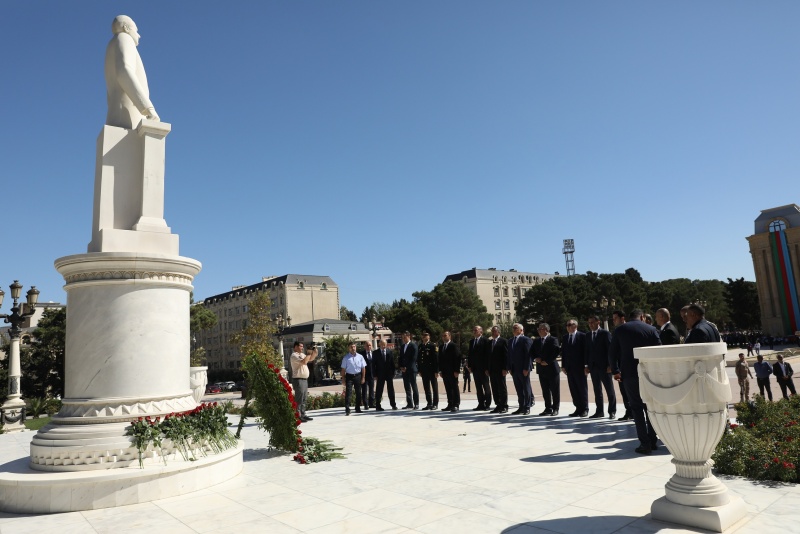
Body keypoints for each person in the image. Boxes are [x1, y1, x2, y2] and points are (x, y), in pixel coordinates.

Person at [610, 309, 662, 455]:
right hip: (649, 374)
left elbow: (612, 352)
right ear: (643, 317)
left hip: (629, 374)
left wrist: (615, 371)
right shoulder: (651, 329)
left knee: (637, 408)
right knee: (650, 407)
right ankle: (653, 440)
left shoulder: (620, 329)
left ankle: (644, 444)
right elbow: (659, 351)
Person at [105, 15, 160, 129]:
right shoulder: (125, 38)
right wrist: (148, 109)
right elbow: (124, 71)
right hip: (129, 115)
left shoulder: (111, 44)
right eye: (136, 30)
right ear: (126, 28)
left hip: (114, 114)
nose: (139, 35)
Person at [585, 315, 616, 419]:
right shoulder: (588, 335)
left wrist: (610, 365)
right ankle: (599, 411)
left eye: (592, 322)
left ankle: (612, 411)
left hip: (604, 367)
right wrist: (586, 365)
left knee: (609, 390)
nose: (590, 325)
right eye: (589, 323)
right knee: (597, 390)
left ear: (598, 322)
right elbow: (587, 352)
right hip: (593, 367)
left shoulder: (605, 333)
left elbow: (610, 350)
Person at [532, 323, 561, 416]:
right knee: (545, 390)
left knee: (555, 390)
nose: (539, 331)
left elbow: (556, 351)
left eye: (541, 329)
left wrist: (547, 361)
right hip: (541, 369)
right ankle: (548, 408)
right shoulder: (536, 341)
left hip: (552, 369)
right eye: (538, 329)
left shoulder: (553, 339)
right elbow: (531, 352)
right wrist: (536, 358)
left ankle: (555, 408)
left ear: (546, 330)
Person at [561, 319, 588, 417]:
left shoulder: (582, 336)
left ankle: (585, 408)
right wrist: (563, 366)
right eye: (567, 325)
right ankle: (578, 408)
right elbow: (564, 352)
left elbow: (585, 352)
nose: (567, 327)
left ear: (575, 326)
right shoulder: (565, 337)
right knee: (573, 389)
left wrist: (586, 365)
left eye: (569, 325)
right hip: (569, 368)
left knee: (582, 388)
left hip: (580, 367)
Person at [508, 323, 534, 414]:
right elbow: (509, 355)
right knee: (518, 389)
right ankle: (521, 406)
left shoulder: (526, 340)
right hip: (514, 369)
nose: (514, 329)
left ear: (521, 330)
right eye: (513, 328)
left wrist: (526, 368)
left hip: (523, 369)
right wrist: (509, 367)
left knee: (526, 388)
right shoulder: (511, 341)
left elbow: (528, 355)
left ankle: (527, 407)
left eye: (516, 328)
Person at [611, 310, 633, 421]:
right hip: (621, 367)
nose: (614, 320)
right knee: (624, 392)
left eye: (616, 318)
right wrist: (615, 369)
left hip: (631, 366)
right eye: (613, 318)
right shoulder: (616, 331)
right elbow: (613, 352)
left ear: (622, 318)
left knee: (633, 392)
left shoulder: (629, 329)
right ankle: (629, 412)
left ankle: (634, 412)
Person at [290, 342, 316, 422]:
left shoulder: (302, 355)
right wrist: (308, 353)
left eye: (302, 346)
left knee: (304, 398)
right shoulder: (294, 355)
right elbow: (304, 362)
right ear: (295, 347)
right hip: (298, 379)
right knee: (299, 399)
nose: (302, 348)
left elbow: (311, 359)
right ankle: (298, 415)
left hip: (304, 379)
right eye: (300, 346)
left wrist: (314, 350)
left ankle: (303, 414)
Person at [468, 326, 492, 410]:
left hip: (483, 368)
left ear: (481, 331)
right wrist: (470, 366)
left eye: (476, 330)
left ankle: (487, 404)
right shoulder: (472, 341)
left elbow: (488, 355)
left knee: (486, 386)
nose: (474, 331)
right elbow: (470, 355)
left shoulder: (485, 341)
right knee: (478, 387)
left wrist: (487, 368)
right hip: (475, 368)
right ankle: (480, 403)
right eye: (473, 330)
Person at [341, 343, 367, 416]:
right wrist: (343, 379)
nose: (353, 348)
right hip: (349, 376)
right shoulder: (346, 358)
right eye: (351, 347)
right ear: (349, 348)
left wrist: (363, 377)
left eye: (354, 346)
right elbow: (343, 369)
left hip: (358, 376)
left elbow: (363, 368)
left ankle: (357, 408)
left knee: (358, 393)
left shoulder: (360, 357)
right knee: (348, 393)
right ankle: (347, 409)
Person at [488, 326, 509, 414]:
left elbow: (506, 355)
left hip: (500, 369)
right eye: (492, 331)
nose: (493, 332)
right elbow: (488, 357)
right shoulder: (490, 342)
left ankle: (504, 405)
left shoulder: (503, 341)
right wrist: (487, 368)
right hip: (492, 369)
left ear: (498, 332)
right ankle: (498, 404)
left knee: (502, 387)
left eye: (494, 331)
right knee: (494, 387)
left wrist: (505, 368)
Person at [439, 331, 461, 412]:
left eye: (445, 335)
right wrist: (440, 370)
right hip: (444, 371)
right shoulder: (441, 347)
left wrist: (457, 370)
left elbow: (457, 358)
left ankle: (456, 404)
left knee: (454, 388)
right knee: (448, 388)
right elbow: (440, 359)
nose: (444, 337)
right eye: (443, 336)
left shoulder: (453, 346)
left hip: (452, 371)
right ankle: (450, 403)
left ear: (449, 336)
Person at [373, 340, 397, 411]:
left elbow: (392, 363)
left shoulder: (389, 352)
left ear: (386, 344)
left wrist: (393, 372)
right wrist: (375, 374)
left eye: (384, 344)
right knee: (379, 390)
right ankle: (378, 405)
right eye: (382, 344)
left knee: (391, 390)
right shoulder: (375, 353)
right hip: (380, 374)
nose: (383, 346)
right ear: (379, 344)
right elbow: (373, 365)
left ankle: (393, 405)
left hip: (389, 374)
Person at [418, 332, 440, 410]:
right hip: (424, 371)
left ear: (429, 336)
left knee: (434, 387)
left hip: (432, 370)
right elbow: (419, 359)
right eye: (423, 336)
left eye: (426, 335)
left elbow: (436, 359)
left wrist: (436, 371)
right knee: (426, 388)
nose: (425, 337)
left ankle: (435, 404)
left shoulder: (433, 345)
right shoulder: (420, 346)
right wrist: (419, 370)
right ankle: (429, 403)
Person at [398, 332, 419, 409]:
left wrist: (406, 367)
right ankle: (409, 403)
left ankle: (416, 403)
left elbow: (414, 358)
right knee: (407, 387)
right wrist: (401, 367)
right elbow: (400, 357)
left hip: (411, 369)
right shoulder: (403, 346)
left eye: (405, 337)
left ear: (409, 336)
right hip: (404, 370)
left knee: (414, 386)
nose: (403, 339)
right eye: (402, 337)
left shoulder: (413, 345)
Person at [358, 341, 375, 410]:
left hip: (371, 375)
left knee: (371, 390)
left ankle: (371, 403)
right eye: (367, 345)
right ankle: (365, 404)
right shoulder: (361, 354)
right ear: (365, 346)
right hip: (364, 375)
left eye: (370, 345)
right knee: (364, 390)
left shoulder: (374, 353)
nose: (369, 347)